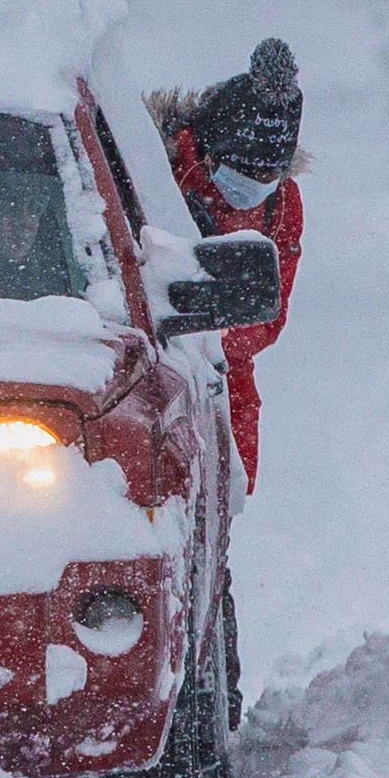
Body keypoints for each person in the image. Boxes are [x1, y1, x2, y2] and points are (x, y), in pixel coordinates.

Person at [160, 38, 305, 488]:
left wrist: (214, 338)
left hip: (226, 382)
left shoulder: (281, 206)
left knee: (224, 496)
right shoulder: (156, 174)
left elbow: (268, 315)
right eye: (246, 172)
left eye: (269, 176)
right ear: (209, 151)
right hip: (160, 372)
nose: (255, 186)